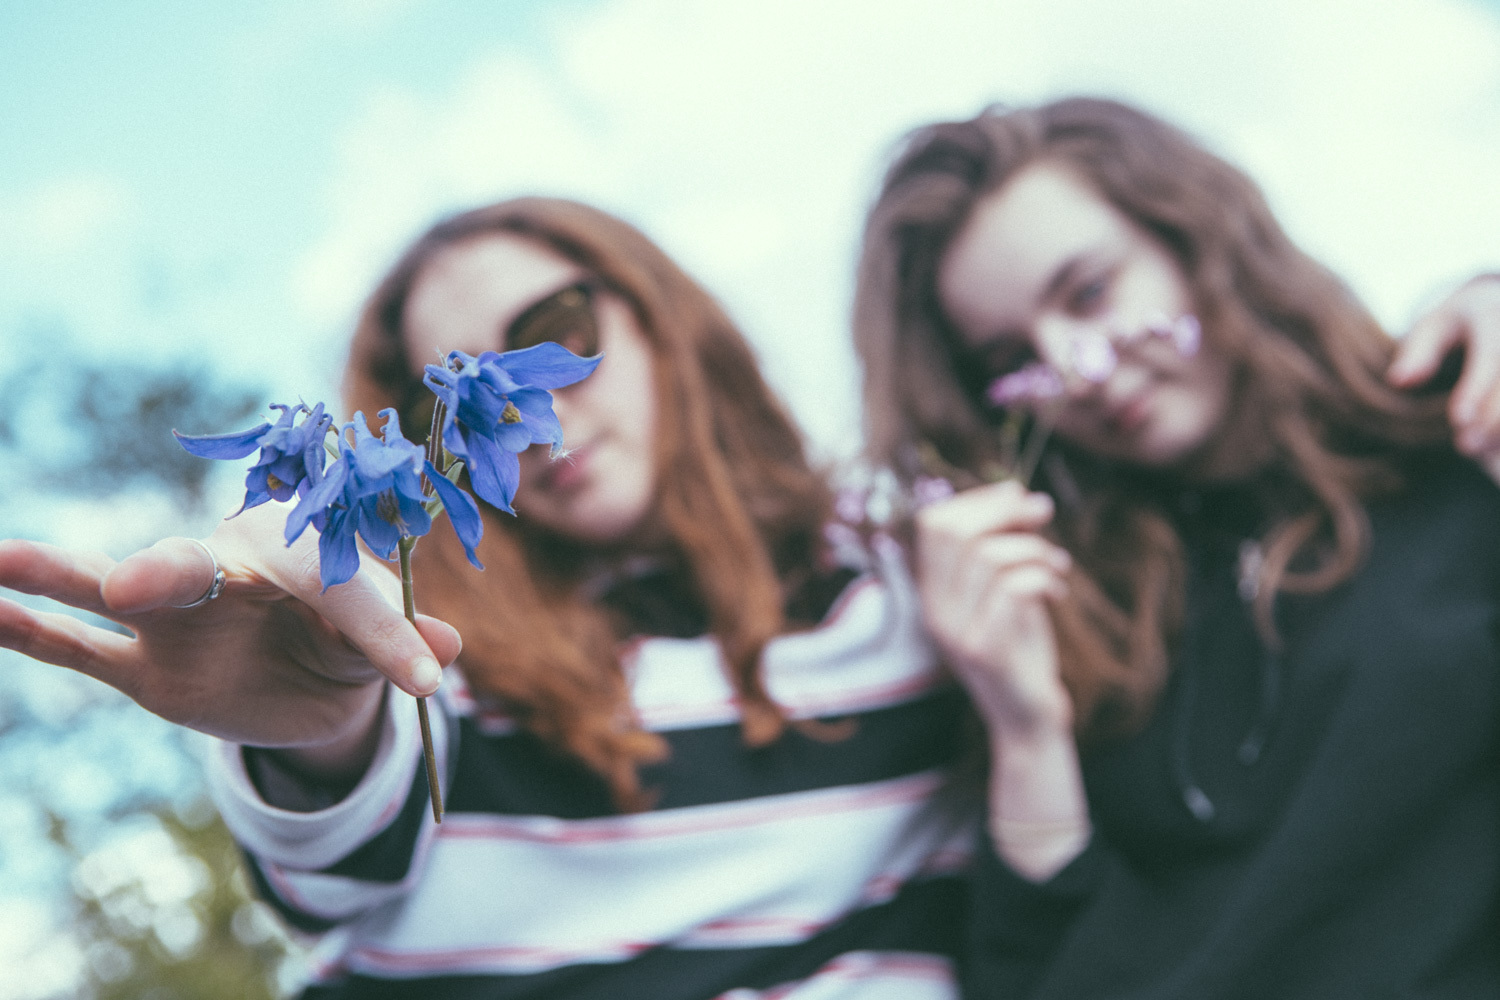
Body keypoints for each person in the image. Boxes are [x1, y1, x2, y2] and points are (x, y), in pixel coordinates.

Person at [0, 198, 974, 998]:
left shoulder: (914, 580)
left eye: (550, 336)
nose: (527, 422)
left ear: (654, 313)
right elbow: (336, 869)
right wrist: (319, 736)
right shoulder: (436, 651)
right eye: (445, 405)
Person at [851, 97, 1500, 998]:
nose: (1077, 367)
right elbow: (1035, 976)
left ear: (1196, 235)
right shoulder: (1063, 610)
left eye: (1088, 292)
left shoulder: (1457, 453)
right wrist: (1025, 728)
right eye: (1012, 355)